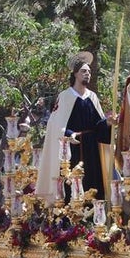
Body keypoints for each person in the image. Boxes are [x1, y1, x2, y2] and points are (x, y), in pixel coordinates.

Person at [37, 52, 116, 205]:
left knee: (94, 184)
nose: (87, 74)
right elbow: (56, 125)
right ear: (75, 74)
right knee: (73, 185)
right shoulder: (65, 96)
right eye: (84, 71)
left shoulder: (92, 97)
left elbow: (98, 127)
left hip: (92, 151)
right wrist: (70, 134)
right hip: (72, 150)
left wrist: (107, 123)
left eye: (89, 72)